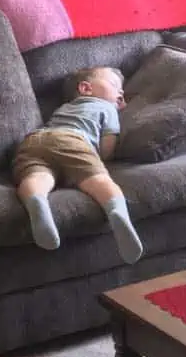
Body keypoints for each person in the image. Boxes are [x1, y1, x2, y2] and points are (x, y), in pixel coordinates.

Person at [13, 66, 144, 264]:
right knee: (99, 180)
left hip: (34, 140)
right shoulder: (106, 108)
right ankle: (117, 212)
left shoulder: (65, 108)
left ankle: (36, 201)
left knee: (37, 175)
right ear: (85, 88)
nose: (120, 92)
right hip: (73, 140)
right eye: (114, 85)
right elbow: (107, 147)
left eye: (122, 91)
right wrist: (98, 159)